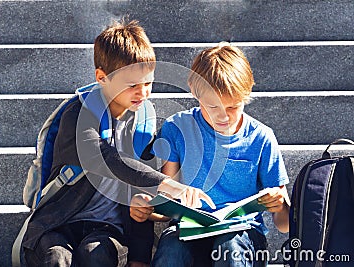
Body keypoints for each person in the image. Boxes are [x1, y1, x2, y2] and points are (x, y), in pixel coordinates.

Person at [21, 20, 214, 267]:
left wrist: (140, 258)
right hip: (59, 222)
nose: (143, 93)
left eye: (148, 83)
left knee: (97, 254)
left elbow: (140, 193)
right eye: (132, 85)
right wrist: (168, 185)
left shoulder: (143, 120)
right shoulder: (77, 115)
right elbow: (107, 159)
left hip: (107, 228)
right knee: (57, 259)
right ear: (102, 77)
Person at [129, 44, 290, 266]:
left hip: (242, 234)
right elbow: (168, 205)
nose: (223, 117)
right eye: (212, 106)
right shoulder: (177, 128)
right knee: (172, 250)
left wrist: (280, 204)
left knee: (229, 247)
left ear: (247, 94)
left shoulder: (261, 138)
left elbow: (284, 225)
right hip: (188, 230)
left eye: (233, 107)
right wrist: (147, 208)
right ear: (195, 91)